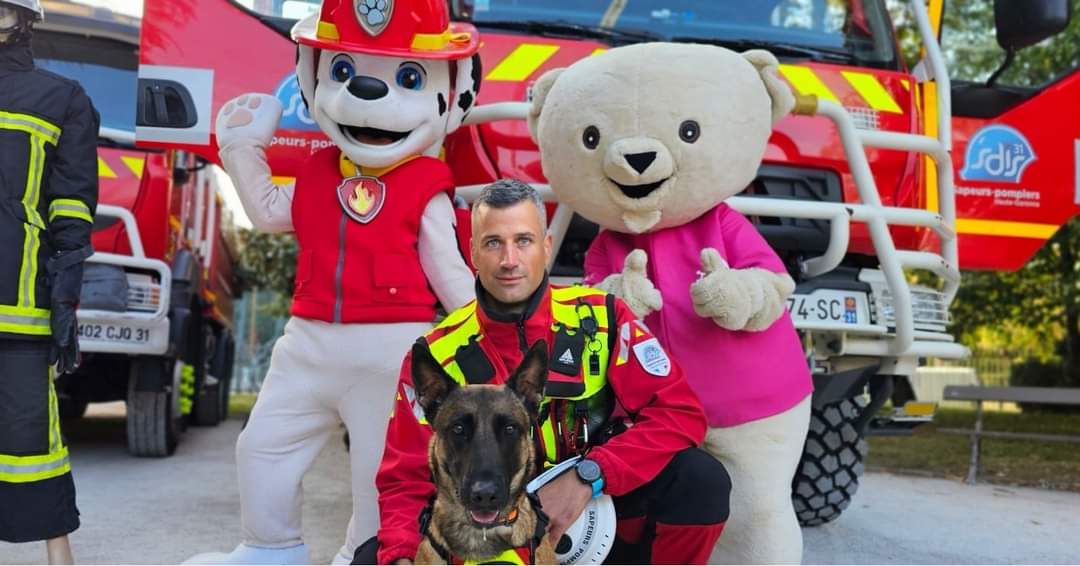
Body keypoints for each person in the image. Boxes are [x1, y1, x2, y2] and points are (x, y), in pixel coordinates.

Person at [356, 179, 732, 565]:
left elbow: (680, 414)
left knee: (699, 481)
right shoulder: (437, 353)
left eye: (523, 241)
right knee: (372, 559)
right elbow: (405, 479)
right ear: (472, 253)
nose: (509, 260)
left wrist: (591, 474)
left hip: (595, 527)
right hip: (485, 534)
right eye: (493, 243)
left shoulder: (603, 318)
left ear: (547, 247)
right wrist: (401, 554)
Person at [0, 0, 99, 563]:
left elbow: (73, 208)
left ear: (24, 19)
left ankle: (58, 556)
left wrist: (65, 293)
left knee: (29, 439)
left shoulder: (60, 97)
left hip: (19, 303)